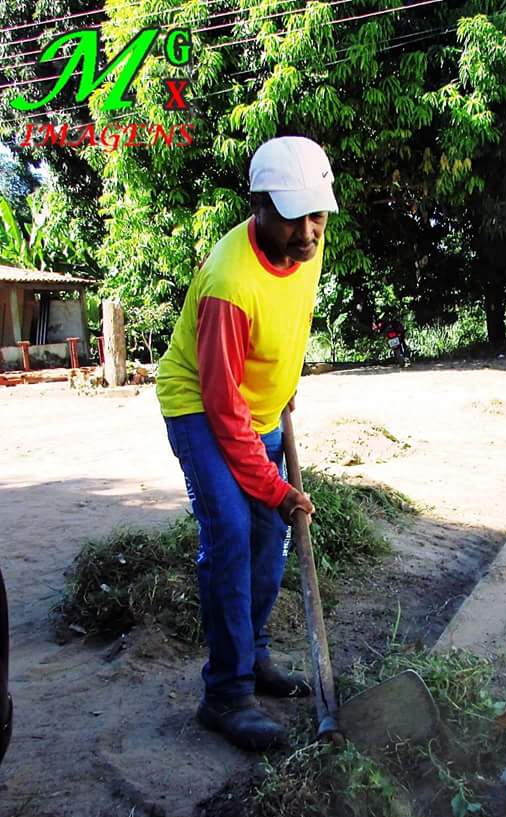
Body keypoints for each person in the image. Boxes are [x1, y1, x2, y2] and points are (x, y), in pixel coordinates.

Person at [156, 136, 338, 752]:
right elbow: (222, 408)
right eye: (295, 216)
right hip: (203, 406)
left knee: (269, 537)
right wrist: (277, 489)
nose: (310, 232)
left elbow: (294, 315)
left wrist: (286, 382)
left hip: (258, 404)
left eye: (318, 215)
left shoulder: (309, 242)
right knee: (233, 530)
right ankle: (225, 694)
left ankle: (254, 656)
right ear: (258, 205)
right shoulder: (228, 283)